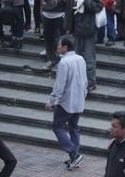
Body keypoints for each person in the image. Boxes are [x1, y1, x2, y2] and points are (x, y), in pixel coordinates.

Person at [45, 36, 87, 170]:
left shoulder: (64, 63)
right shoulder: (80, 59)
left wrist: (52, 101)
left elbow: (59, 86)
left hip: (66, 102)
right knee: (74, 127)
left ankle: (74, 154)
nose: (58, 47)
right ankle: (74, 157)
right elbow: (85, 80)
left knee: (57, 127)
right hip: (79, 99)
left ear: (65, 47)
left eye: (59, 45)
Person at [68, 0, 103, 89]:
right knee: (75, 58)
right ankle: (77, 81)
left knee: (89, 59)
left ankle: (91, 82)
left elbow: (99, 6)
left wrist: (87, 0)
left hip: (88, 29)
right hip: (76, 30)